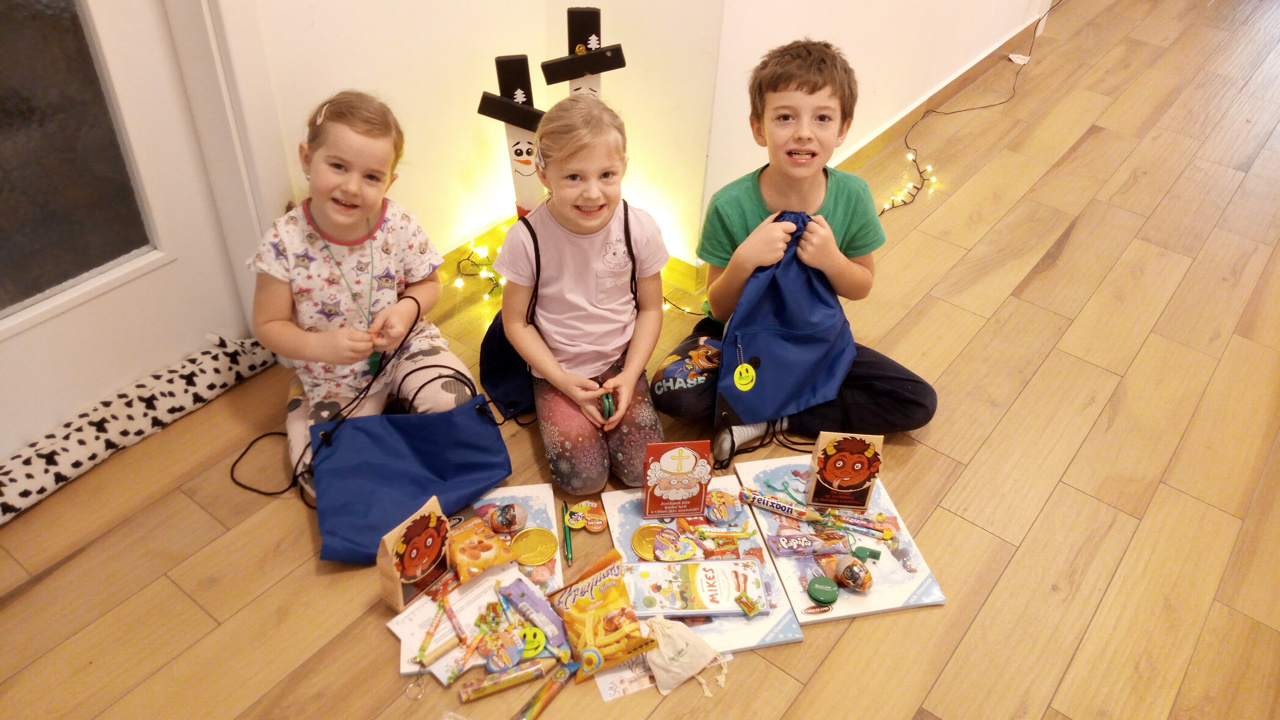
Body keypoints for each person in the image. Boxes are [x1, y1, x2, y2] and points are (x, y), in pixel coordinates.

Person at [650, 39, 936, 461]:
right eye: (785, 117)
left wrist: (832, 260)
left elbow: (861, 286)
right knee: (671, 392)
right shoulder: (729, 204)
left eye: (822, 118)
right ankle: (782, 402)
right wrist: (745, 260)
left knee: (916, 401)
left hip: (813, 339)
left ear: (842, 129)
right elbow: (720, 308)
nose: (804, 132)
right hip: (737, 336)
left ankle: (769, 420)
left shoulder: (852, 194)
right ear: (759, 128)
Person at [250, 90, 474, 500]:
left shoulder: (399, 225)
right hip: (332, 375)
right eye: (338, 166)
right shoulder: (284, 241)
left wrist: (406, 310)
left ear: (389, 181)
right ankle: (312, 405)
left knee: (458, 405)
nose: (352, 187)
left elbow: (428, 284)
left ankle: (398, 410)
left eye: (372, 176)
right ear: (307, 159)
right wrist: (321, 347)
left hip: (406, 349)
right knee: (326, 482)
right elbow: (268, 325)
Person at [493, 94, 668, 495]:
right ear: (543, 173)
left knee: (645, 472)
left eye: (606, 175)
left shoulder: (639, 228)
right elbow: (516, 322)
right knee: (582, 479)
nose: (592, 193)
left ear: (623, 168)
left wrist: (630, 374)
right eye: (574, 177)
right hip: (557, 369)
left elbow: (650, 309)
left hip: (621, 362)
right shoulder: (526, 239)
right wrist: (560, 380)